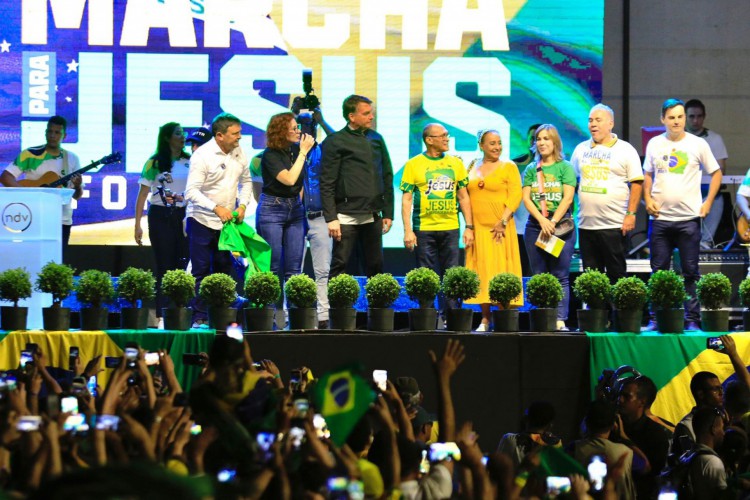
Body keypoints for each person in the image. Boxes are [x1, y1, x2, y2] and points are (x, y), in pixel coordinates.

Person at [643, 98, 722, 331]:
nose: (676, 121)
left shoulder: (698, 144)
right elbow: (647, 175)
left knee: (690, 272)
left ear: (684, 118)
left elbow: (716, 173)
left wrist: (708, 203)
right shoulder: (655, 144)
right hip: (660, 219)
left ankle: (692, 319)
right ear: (662, 120)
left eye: (680, 116)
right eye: (671, 117)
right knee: (658, 272)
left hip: (688, 219)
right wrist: (647, 199)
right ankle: (657, 319)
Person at [184, 112, 253, 326]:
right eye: (235, 134)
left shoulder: (238, 151)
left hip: (227, 225)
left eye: (239, 132)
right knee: (201, 271)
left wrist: (242, 205)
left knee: (224, 269)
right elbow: (191, 192)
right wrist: (216, 208)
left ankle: (221, 316)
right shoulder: (201, 156)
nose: (239, 137)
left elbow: (247, 181)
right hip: (201, 221)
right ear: (220, 135)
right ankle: (199, 317)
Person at [401, 123, 474, 321]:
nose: (446, 139)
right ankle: (428, 317)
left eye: (447, 135)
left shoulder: (456, 164)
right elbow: (407, 199)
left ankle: (450, 318)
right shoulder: (414, 164)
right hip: (423, 229)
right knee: (427, 275)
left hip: (450, 228)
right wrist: (408, 230)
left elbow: (463, 197)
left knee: (451, 275)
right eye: (442, 136)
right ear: (429, 140)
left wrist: (469, 226)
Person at [320, 94, 394, 279]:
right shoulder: (335, 141)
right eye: (366, 113)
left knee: (376, 265)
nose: (371, 117)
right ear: (351, 116)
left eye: (372, 113)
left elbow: (386, 176)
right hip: (345, 216)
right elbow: (327, 182)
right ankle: (337, 308)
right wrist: (331, 218)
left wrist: (388, 213)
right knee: (341, 263)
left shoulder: (376, 139)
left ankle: (377, 307)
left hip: (372, 215)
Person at [571, 104, 643, 283]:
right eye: (590, 120)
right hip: (587, 225)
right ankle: (596, 311)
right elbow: (571, 182)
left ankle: (618, 311)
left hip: (614, 225)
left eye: (598, 120)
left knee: (616, 275)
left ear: (610, 124)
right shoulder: (580, 149)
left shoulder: (625, 149)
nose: (592, 124)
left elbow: (637, 183)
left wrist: (631, 214)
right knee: (592, 279)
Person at [256, 112, 315, 328]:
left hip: (294, 210)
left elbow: (298, 185)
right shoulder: (270, 155)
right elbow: (289, 179)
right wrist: (303, 153)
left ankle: (294, 318)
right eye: (293, 128)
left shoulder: (294, 151)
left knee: (293, 269)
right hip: (273, 209)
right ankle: (269, 318)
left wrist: (297, 205)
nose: (298, 131)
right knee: (272, 267)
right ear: (281, 131)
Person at [1, 115, 83, 259]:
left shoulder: (72, 159)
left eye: (57, 132)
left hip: (61, 219)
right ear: (45, 132)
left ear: (64, 136)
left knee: (56, 262)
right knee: (29, 258)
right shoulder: (30, 154)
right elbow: (5, 177)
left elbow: (76, 196)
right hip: (33, 217)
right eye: (49, 131)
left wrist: (77, 186)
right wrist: (29, 196)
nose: (52, 135)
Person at [134, 122, 191, 329]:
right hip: (160, 216)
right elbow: (142, 195)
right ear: (167, 137)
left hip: (184, 216)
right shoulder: (154, 162)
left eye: (183, 134)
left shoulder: (190, 160)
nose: (183, 137)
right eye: (178, 134)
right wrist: (137, 225)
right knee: (164, 265)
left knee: (182, 264)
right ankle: (161, 315)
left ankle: (181, 311)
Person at [464, 129, 522, 331]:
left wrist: (503, 221)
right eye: (492, 143)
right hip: (478, 230)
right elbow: (465, 198)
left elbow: (515, 195)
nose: (497, 147)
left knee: (500, 270)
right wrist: (469, 227)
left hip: (500, 230)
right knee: (482, 272)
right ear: (481, 145)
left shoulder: (509, 166)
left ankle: (504, 317)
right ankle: (485, 319)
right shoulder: (471, 166)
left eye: (499, 143)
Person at [521, 124, 577, 331]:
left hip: (560, 227)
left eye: (546, 139)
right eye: (538, 139)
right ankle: (542, 317)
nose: (542, 142)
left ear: (555, 142)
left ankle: (560, 319)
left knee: (560, 275)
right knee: (539, 275)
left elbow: (568, 197)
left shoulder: (565, 167)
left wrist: (552, 222)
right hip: (536, 227)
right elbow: (526, 199)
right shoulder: (530, 169)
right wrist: (542, 221)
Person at [292, 98, 335, 330]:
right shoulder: (287, 150)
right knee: (294, 269)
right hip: (294, 218)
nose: (306, 128)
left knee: (323, 270)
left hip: (319, 216)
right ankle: (292, 314)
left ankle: (323, 315)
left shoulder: (325, 148)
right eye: (301, 122)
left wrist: (322, 120)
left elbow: (340, 141)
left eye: (310, 123)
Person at [615, 376, 672, 499]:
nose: (620, 400)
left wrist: (624, 438)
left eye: (627, 396)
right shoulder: (613, 426)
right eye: (620, 395)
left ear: (642, 401)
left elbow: (651, 472)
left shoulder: (656, 434)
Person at [684, 99, 729, 250]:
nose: (695, 120)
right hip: (683, 191)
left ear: (704, 117)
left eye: (699, 116)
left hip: (707, 190)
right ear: (685, 116)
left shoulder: (714, 139)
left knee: (717, 199)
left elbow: (721, 170)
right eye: (691, 116)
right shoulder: (676, 140)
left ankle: (706, 242)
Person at [689, 407, 729, 499]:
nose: (723, 433)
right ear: (713, 429)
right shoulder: (712, 462)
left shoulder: (690, 455)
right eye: (722, 428)